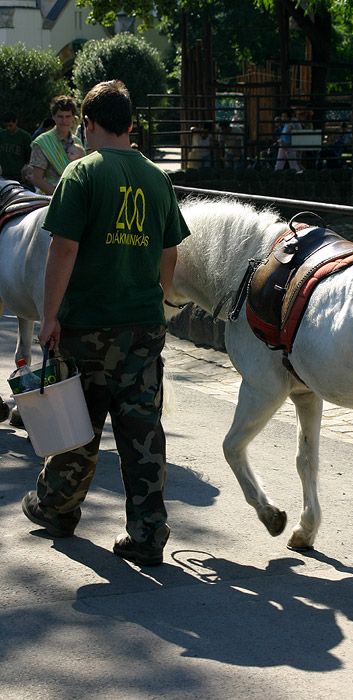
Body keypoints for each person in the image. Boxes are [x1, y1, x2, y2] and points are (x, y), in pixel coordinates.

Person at [21, 79, 191, 567]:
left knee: (78, 422)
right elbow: (169, 251)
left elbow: (64, 248)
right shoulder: (158, 178)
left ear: (89, 125)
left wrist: (50, 316)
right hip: (142, 326)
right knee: (142, 430)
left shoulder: (81, 174)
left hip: (87, 326)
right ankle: (148, 533)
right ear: (132, 125)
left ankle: (58, 508)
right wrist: (156, 304)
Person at [29, 95, 83, 194]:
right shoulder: (42, 142)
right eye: (60, 116)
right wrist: (59, 197)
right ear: (53, 117)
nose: (64, 121)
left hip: (74, 196)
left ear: (73, 117)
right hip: (49, 199)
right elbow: (37, 179)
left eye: (68, 116)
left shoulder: (78, 143)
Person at [0, 111, 32, 183]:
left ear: (16, 122)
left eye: (10, 125)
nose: (8, 128)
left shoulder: (25, 137)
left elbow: (29, 156)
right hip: (4, 174)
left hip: (19, 175)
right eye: (6, 126)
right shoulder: (2, 135)